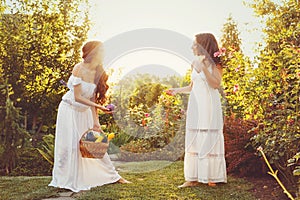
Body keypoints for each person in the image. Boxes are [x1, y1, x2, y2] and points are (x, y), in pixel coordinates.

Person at [49, 41, 130, 193]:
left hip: (85, 112)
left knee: (95, 146)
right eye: (101, 51)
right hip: (69, 110)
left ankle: (114, 176)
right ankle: (66, 179)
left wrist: (96, 122)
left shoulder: (98, 73)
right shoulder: (79, 68)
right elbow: (78, 97)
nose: (104, 54)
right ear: (93, 53)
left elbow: (92, 100)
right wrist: (101, 107)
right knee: (70, 146)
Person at [167, 33, 227, 187]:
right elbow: (192, 87)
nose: (192, 47)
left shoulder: (216, 63)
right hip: (195, 104)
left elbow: (215, 84)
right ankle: (192, 178)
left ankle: (211, 176)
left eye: (194, 44)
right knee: (195, 137)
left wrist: (204, 70)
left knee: (208, 135)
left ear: (203, 45)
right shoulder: (193, 63)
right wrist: (176, 90)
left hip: (209, 104)